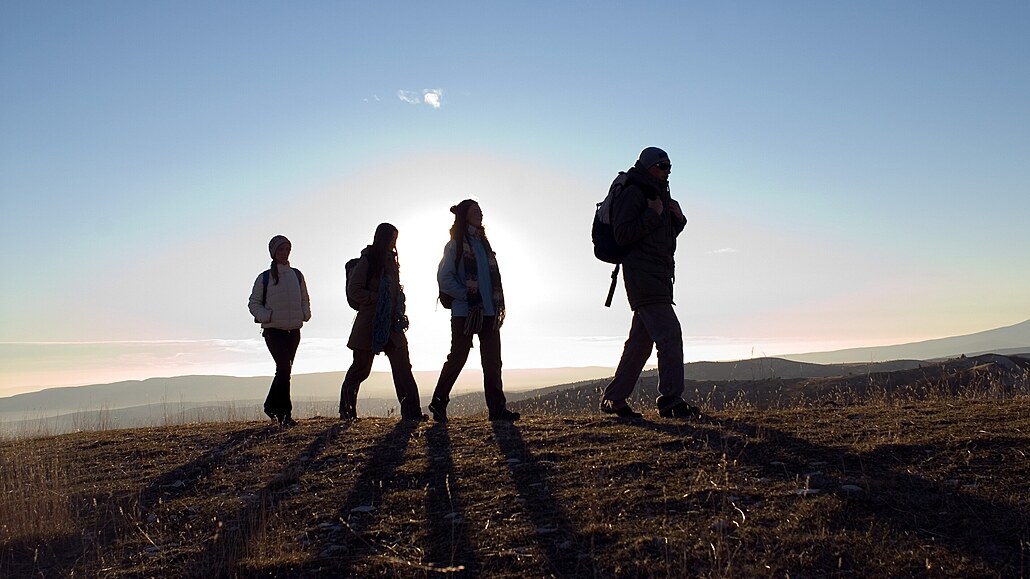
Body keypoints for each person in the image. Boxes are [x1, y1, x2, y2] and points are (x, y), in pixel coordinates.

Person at [601, 147, 700, 419]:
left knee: (640, 344)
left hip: (659, 276)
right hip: (643, 277)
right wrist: (654, 213)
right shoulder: (636, 192)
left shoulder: (656, 194)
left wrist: (678, 221)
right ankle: (670, 399)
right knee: (670, 333)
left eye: (669, 166)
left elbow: (660, 238)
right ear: (647, 166)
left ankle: (614, 399)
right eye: (661, 165)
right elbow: (623, 234)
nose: (666, 170)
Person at [428, 200, 520, 423]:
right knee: (458, 357)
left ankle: (497, 410)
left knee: (493, 362)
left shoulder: (484, 245)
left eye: (480, 210)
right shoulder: (455, 246)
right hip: (465, 313)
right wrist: (466, 295)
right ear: (465, 216)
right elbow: (444, 278)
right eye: (475, 211)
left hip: (489, 312)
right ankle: (438, 402)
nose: (480, 214)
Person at [339, 223, 427, 422]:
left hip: (392, 324)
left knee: (403, 368)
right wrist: (376, 298)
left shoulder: (391, 262)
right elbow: (354, 290)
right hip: (369, 323)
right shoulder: (367, 261)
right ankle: (347, 412)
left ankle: (412, 414)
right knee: (361, 369)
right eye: (392, 238)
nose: (394, 243)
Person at [248, 235, 311, 427]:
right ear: (274, 253)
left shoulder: (297, 275)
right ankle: (285, 415)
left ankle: (270, 406)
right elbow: (253, 303)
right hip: (274, 331)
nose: (285, 253)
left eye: (287, 249)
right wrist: (267, 316)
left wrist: (305, 314)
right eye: (281, 250)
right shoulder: (264, 278)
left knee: (284, 371)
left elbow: (304, 298)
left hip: (294, 331)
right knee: (284, 368)